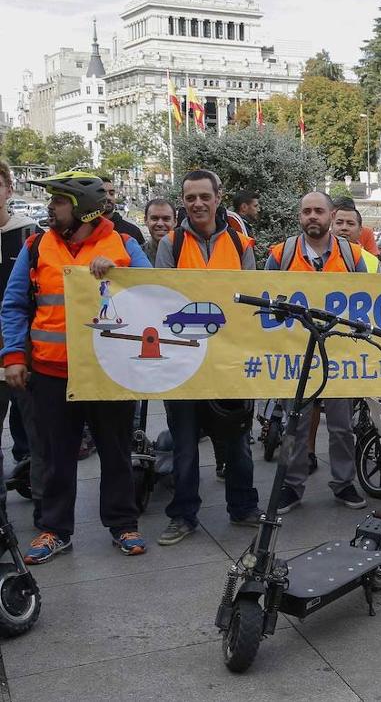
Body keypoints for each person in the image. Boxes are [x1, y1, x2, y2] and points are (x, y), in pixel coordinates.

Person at [2, 171, 149, 563]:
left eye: (59, 201)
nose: (51, 207)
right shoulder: (36, 246)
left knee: (116, 450)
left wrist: (120, 274)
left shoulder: (125, 245)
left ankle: (123, 524)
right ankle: (54, 529)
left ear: (82, 210)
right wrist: (14, 356)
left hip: (109, 370)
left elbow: (154, 292)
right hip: (51, 372)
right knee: (54, 455)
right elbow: (14, 304)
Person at [153, 170, 260, 545]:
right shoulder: (170, 242)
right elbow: (162, 298)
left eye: (204, 196)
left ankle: (244, 507)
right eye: (190, 197)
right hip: (183, 361)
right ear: (183, 200)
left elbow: (249, 299)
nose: (197, 203)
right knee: (184, 443)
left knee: (238, 440)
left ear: (218, 197)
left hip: (228, 360)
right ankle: (183, 515)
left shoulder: (240, 242)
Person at [265, 192, 369, 514]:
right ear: (300, 216)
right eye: (307, 211)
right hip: (295, 354)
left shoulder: (352, 257)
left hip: (338, 353)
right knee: (295, 425)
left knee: (341, 426)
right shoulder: (280, 255)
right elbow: (265, 301)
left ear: (330, 215)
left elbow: (368, 299)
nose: (313, 216)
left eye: (319, 211)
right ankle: (292, 486)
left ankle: (343, 483)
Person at [0, 161, 39, 497]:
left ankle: (39, 498)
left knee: (35, 434)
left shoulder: (30, 235)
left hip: (22, 351)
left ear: (9, 189)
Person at [332, 205, 381, 272]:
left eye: (350, 224)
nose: (344, 228)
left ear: (360, 230)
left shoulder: (373, 262)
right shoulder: (318, 255)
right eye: (339, 223)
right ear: (331, 227)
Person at [141, 197, 176, 262]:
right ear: (145, 220)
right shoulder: (137, 256)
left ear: (175, 222)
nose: (160, 224)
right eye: (154, 218)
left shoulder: (185, 253)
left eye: (166, 219)